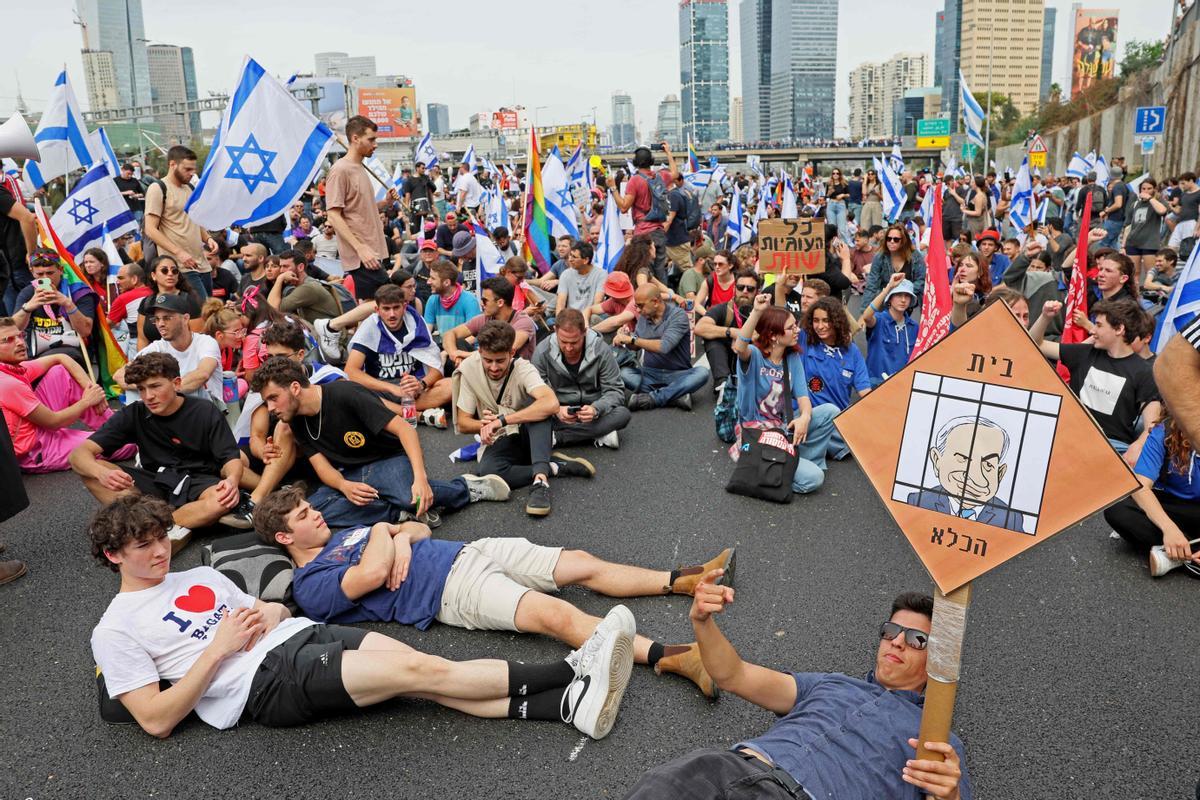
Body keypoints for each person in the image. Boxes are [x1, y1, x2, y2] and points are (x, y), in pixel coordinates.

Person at [89, 494, 637, 741]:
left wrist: (270, 610)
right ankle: (574, 669)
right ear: (114, 555)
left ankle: (566, 709)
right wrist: (218, 647)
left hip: (302, 634)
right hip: (265, 683)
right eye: (143, 547)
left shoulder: (198, 578)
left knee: (427, 675)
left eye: (161, 539)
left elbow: (275, 608)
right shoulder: (114, 628)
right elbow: (156, 720)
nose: (159, 553)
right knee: (425, 676)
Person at [258, 487, 731, 696]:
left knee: (581, 563)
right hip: (451, 589)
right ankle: (675, 657)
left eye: (307, 507)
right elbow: (375, 572)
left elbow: (418, 530)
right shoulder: (312, 583)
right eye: (302, 516)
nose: (315, 514)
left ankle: (680, 579)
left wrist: (402, 534)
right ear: (284, 538)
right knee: (556, 617)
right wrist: (387, 531)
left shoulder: (341, 533)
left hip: (469, 549)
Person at [623, 579, 970, 799]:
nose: (896, 642)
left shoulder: (936, 737)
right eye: (890, 630)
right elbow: (734, 675)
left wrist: (950, 795)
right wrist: (702, 621)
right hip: (731, 769)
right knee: (664, 786)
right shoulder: (830, 683)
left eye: (916, 639)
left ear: (938, 657)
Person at [249, 356, 509, 531]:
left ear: (295, 388)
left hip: (388, 460)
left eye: (273, 398)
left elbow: (405, 429)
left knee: (410, 496)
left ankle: (465, 488)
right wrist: (344, 486)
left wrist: (420, 478)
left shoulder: (344, 393)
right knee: (313, 514)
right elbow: (321, 466)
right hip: (352, 473)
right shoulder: (294, 419)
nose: (270, 407)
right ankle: (397, 513)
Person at [71, 353, 254, 548]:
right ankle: (178, 523)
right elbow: (78, 454)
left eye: (155, 386)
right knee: (91, 471)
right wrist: (102, 473)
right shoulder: (134, 413)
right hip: (156, 480)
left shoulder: (204, 410)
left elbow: (230, 459)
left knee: (220, 499)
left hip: (199, 481)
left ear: (176, 383)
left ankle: (147, 526)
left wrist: (232, 481)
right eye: (141, 389)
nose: (148, 396)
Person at [453, 320, 594, 516]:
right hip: (500, 439)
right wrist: (483, 425)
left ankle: (540, 482)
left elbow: (551, 403)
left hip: (528, 434)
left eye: (500, 361)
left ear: (511, 353)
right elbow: (463, 422)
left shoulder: (523, 367)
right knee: (487, 472)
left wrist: (501, 420)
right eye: (488, 360)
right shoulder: (470, 369)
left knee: (539, 409)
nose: (493, 367)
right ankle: (553, 466)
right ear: (479, 352)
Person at [730, 294, 837, 495]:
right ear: (773, 335)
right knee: (814, 479)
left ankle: (791, 461)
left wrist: (805, 417)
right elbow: (740, 346)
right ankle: (778, 469)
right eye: (791, 328)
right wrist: (756, 312)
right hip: (757, 433)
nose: (797, 330)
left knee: (830, 411)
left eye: (795, 325)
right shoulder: (754, 356)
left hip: (781, 428)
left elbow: (804, 399)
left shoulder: (792, 358)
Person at [0, 316, 133, 473]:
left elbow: (60, 357)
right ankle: (124, 432)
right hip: (35, 451)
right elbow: (53, 422)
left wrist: (91, 388)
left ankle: (113, 424)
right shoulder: (7, 383)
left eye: (21, 336)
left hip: (36, 428)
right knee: (126, 444)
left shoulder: (10, 368)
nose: (20, 342)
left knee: (60, 372)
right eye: (8, 340)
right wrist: (87, 401)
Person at [1030, 298, 1161, 454]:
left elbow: (1151, 427)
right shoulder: (1083, 353)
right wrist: (1045, 316)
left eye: (1099, 325)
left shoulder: (1144, 372)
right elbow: (1034, 343)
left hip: (1113, 449)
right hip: (1069, 438)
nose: (1092, 330)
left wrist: (1138, 445)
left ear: (1119, 329)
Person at [1103, 406, 1200, 576]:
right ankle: (1186, 551)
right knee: (1118, 508)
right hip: (1171, 505)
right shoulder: (1165, 430)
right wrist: (1169, 529)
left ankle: (1176, 557)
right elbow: (1141, 485)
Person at [532, 308, 631, 450]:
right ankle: (598, 433)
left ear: (584, 332)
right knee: (531, 417)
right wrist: (557, 410)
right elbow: (537, 392)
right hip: (559, 411)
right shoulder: (542, 352)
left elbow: (615, 391)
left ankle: (559, 438)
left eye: (574, 342)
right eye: (563, 341)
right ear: (555, 330)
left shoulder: (601, 350)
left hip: (593, 410)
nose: (569, 348)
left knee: (623, 414)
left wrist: (596, 409)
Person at [347, 283, 449, 419]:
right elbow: (351, 371)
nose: (392, 314)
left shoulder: (416, 324)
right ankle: (418, 415)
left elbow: (436, 368)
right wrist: (391, 388)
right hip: (381, 390)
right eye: (386, 309)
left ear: (405, 307)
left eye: (396, 308)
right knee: (349, 390)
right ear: (377, 310)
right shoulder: (370, 326)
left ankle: (392, 411)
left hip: (413, 391)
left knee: (451, 385)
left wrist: (421, 385)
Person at [325, 116, 394, 301]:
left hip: (372, 250)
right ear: (355, 138)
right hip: (361, 254)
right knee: (386, 302)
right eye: (371, 139)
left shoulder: (360, 167)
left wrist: (386, 203)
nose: (375, 144)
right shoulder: (340, 170)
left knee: (375, 307)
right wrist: (360, 248)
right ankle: (332, 326)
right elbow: (333, 215)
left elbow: (362, 209)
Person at [117, 293, 224, 405]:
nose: (160, 324)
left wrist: (162, 389)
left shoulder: (206, 342)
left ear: (185, 319)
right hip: (171, 409)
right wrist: (153, 387)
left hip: (206, 409)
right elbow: (120, 376)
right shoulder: (157, 347)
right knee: (137, 388)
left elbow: (202, 374)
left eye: (167, 318)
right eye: (157, 319)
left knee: (194, 389)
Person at [617, 284, 710, 411]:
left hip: (678, 373)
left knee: (702, 373)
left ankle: (653, 398)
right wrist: (626, 338)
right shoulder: (644, 318)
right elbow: (636, 347)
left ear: (655, 302)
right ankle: (675, 395)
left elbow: (664, 347)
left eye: (641, 306)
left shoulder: (678, 316)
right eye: (636, 306)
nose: (638, 311)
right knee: (624, 373)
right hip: (650, 374)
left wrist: (633, 339)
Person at [143, 145, 218, 299]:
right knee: (200, 314)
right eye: (187, 169)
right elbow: (150, 229)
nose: (192, 173)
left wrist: (208, 238)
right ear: (172, 164)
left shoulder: (190, 188)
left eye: (193, 169)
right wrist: (179, 252)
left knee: (209, 313)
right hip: (179, 266)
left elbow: (194, 221)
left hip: (201, 264)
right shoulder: (158, 188)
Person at [800, 296, 870, 460]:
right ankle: (829, 445)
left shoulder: (852, 351)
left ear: (837, 322)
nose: (820, 326)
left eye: (826, 320)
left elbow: (865, 392)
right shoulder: (804, 339)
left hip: (838, 420)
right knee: (853, 443)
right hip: (808, 415)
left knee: (863, 435)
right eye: (816, 320)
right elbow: (781, 322)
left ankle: (818, 444)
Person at [10, 247, 96, 366]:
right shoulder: (28, 293)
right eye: (40, 274)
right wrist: (27, 308)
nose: (46, 278)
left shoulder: (78, 292)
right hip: (37, 353)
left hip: (72, 352)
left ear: (60, 270)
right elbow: (13, 330)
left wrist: (68, 304)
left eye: (50, 273)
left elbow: (85, 331)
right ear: (32, 272)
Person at [611, 144, 679, 285]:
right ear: (651, 161)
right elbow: (675, 174)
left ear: (636, 162)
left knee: (643, 272)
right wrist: (668, 152)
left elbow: (624, 207)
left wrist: (613, 188)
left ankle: (647, 300)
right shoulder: (661, 176)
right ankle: (664, 300)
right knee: (660, 271)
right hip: (659, 232)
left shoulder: (635, 180)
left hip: (642, 233)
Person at [443, 276, 536, 365]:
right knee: (458, 343)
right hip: (487, 371)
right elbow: (450, 333)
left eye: (484, 300)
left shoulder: (523, 322)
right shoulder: (485, 318)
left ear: (500, 302)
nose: (481, 304)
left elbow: (505, 350)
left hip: (514, 374)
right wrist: (453, 353)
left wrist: (464, 354)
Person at [695, 269, 759, 394]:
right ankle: (722, 384)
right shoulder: (722, 309)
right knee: (712, 338)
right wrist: (732, 332)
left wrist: (743, 340)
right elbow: (699, 328)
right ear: (735, 289)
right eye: (741, 287)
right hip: (727, 356)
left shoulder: (762, 311)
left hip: (750, 357)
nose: (745, 291)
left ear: (757, 292)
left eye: (750, 289)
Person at [860, 273, 918, 387]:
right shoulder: (879, 320)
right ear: (890, 298)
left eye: (907, 296)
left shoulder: (914, 327)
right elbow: (866, 317)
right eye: (898, 295)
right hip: (876, 385)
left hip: (902, 385)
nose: (903, 300)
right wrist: (888, 289)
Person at [136, 256, 204, 350]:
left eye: (174, 271)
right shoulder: (146, 302)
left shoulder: (189, 300)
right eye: (164, 270)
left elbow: (197, 338)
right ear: (153, 275)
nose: (170, 274)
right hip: (153, 360)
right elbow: (142, 339)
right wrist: (142, 361)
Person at [266, 249, 341, 325]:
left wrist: (279, 279)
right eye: (280, 266)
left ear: (300, 267)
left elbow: (273, 309)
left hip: (328, 335)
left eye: (285, 266)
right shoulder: (304, 284)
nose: (281, 271)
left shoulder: (307, 288)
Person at [864, 223, 926, 311]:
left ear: (903, 241)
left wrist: (902, 291)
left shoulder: (915, 256)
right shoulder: (879, 257)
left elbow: (921, 280)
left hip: (907, 300)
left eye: (896, 239)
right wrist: (864, 312)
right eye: (889, 239)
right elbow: (871, 285)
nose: (891, 241)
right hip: (885, 300)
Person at [423, 260, 482, 342]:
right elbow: (426, 332)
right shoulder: (432, 300)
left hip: (467, 349)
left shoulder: (469, 300)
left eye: (433, 278)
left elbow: (474, 336)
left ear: (446, 282)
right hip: (445, 347)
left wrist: (450, 350)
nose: (428, 282)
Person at [1123, 179, 1169, 280]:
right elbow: (1128, 226)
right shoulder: (1135, 204)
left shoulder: (1158, 202)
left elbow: (1162, 211)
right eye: (1143, 188)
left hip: (1150, 243)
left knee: (1150, 273)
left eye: (1149, 188)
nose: (1146, 191)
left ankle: (1150, 294)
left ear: (1154, 189)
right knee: (1134, 273)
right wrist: (1123, 246)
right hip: (1133, 242)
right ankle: (1135, 295)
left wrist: (1150, 198)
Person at [107, 262, 152, 360]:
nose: (117, 282)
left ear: (134, 279)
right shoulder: (155, 292)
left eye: (121, 278)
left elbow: (107, 325)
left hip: (137, 345)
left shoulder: (123, 298)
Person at [555, 241, 607, 317]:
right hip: (571, 318)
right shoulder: (566, 274)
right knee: (551, 321)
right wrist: (559, 323)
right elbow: (560, 303)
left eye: (574, 257)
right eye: (570, 255)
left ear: (586, 260)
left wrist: (586, 319)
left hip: (591, 315)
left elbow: (598, 302)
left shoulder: (601, 274)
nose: (570, 259)